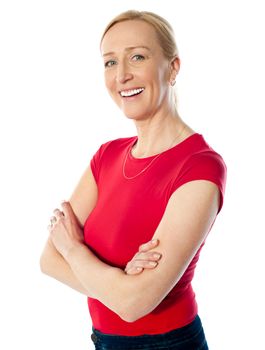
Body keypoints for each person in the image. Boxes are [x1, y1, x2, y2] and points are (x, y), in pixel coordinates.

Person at [40, 10, 227, 350]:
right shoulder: (107, 156)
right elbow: (48, 260)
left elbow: (134, 305)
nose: (122, 75)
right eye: (110, 62)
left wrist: (74, 249)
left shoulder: (200, 167)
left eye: (137, 57)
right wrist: (121, 282)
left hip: (168, 344)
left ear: (173, 68)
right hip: (104, 340)